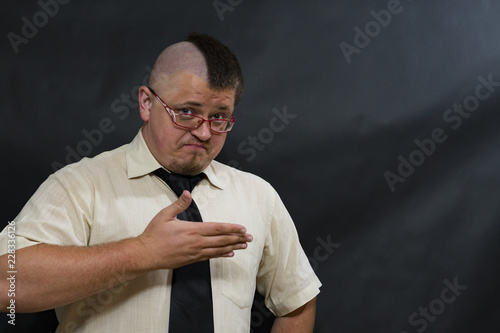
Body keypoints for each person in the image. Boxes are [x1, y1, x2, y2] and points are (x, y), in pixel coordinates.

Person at [0, 32, 321, 332]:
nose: (204, 132)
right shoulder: (81, 185)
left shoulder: (258, 196)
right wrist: (141, 253)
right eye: (186, 111)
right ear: (146, 103)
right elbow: (5, 286)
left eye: (219, 117)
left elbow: (297, 301)